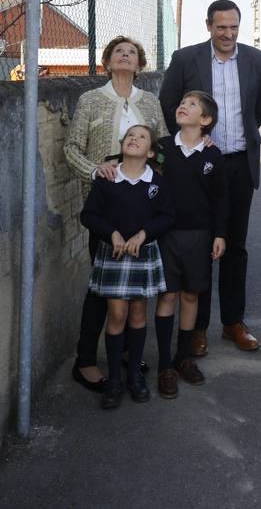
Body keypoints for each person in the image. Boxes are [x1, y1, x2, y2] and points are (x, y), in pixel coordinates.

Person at [159, 0, 261, 354]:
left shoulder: (256, 60)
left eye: (233, 27)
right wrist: (192, 139)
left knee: (234, 245)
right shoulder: (185, 58)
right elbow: (169, 102)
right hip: (197, 167)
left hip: (238, 163)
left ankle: (233, 323)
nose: (228, 33)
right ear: (208, 25)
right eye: (221, 27)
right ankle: (198, 327)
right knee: (200, 246)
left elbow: (260, 107)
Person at [64, 36, 168, 392]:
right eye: (119, 52)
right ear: (108, 62)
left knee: (135, 291)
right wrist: (95, 170)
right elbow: (72, 146)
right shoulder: (90, 99)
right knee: (101, 288)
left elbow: (164, 147)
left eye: (132, 53)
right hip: (106, 209)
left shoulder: (151, 102)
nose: (126, 56)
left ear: (140, 65)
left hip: (143, 205)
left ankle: (126, 354)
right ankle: (86, 362)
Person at [80, 125, 174, 409]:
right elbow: (88, 215)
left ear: (151, 152)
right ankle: (114, 380)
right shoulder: (107, 178)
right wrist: (112, 234)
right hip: (113, 255)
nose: (134, 139)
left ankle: (134, 375)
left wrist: (143, 234)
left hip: (143, 254)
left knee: (136, 312)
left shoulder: (156, 183)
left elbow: (167, 217)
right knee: (117, 313)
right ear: (122, 145)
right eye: (129, 136)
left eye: (141, 137)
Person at [154, 91, 228, 399]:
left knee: (190, 296)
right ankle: (164, 365)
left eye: (192, 105)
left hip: (199, 236)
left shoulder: (213, 154)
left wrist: (219, 234)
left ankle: (183, 357)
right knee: (167, 295)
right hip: (166, 234)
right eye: (181, 103)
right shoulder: (160, 148)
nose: (183, 106)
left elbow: (221, 199)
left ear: (206, 120)